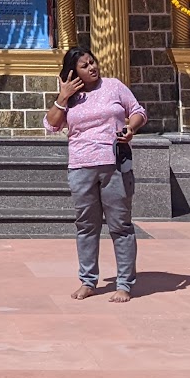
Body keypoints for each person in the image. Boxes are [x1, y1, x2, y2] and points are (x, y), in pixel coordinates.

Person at [44, 47, 145, 304]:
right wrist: (63, 97)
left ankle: (124, 284)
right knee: (86, 227)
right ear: (73, 72)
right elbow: (52, 124)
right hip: (80, 167)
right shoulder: (71, 98)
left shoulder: (114, 86)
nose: (92, 67)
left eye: (93, 62)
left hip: (114, 164)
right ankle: (88, 281)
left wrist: (130, 128)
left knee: (120, 226)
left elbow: (138, 111)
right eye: (84, 65)